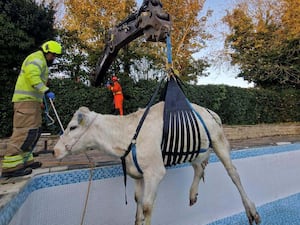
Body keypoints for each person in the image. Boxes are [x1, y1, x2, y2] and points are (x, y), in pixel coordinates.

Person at [1, 40, 62, 178]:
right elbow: (32, 76)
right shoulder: (36, 58)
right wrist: (46, 91)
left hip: (32, 103)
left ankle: (25, 161)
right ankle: (10, 167)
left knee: (32, 132)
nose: (54, 58)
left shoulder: (41, 61)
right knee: (23, 132)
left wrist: (40, 100)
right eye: (53, 55)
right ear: (47, 52)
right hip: (25, 103)